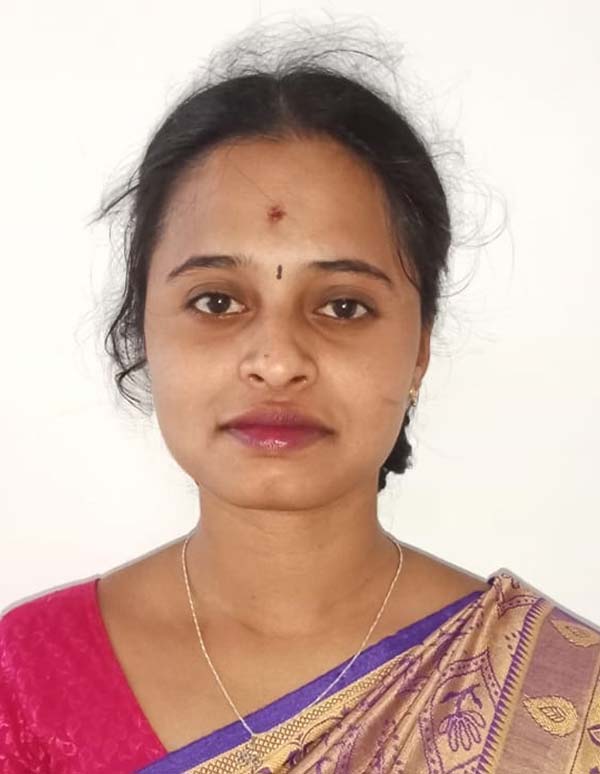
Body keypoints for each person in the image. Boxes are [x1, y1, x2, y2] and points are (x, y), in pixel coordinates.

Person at [1, 22, 599, 774]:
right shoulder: (27, 685)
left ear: (419, 348)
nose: (278, 362)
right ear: (143, 331)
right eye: (217, 302)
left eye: (343, 306)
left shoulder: (565, 701)